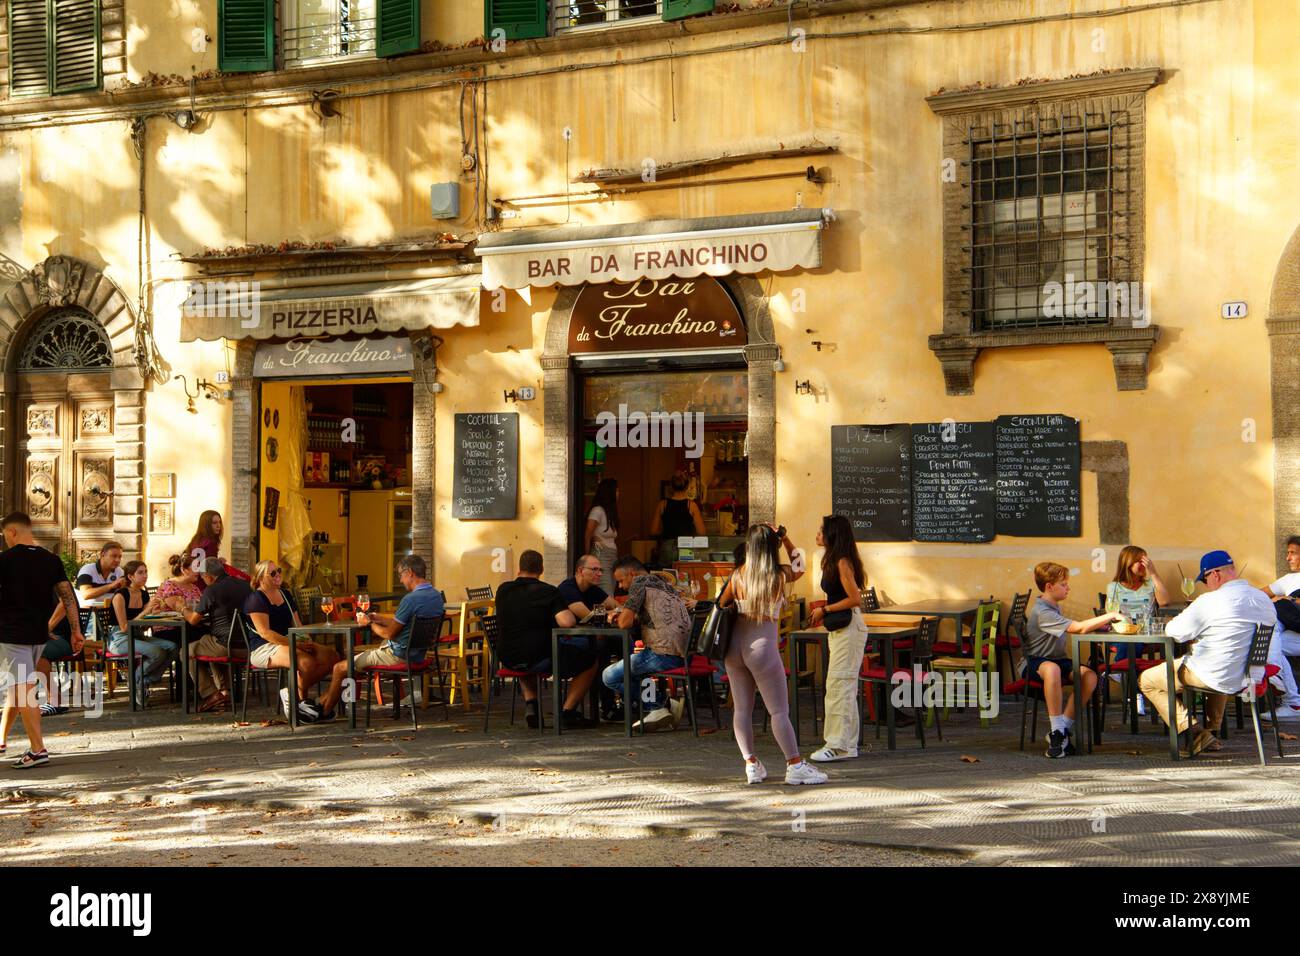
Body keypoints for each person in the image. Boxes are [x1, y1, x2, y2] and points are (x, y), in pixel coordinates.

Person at [1140, 550, 1277, 755]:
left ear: (1215, 575)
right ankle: (1212, 730)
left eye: (1204, 580)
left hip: (1216, 675)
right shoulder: (1263, 599)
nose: (1205, 585)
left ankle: (1194, 732)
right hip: (1251, 676)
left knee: (1147, 680)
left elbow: (1175, 632)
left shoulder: (1209, 601)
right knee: (1222, 664)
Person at [718, 524, 825, 784]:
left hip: (734, 648)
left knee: (742, 709)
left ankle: (751, 764)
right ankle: (794, 764)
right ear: (771, 547)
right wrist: (786, 538)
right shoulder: (777, 575)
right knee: (778, 711)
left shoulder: (737, 575)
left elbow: (722, 605)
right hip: (762, 647)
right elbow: (800, 566)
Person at [0, 512, 83, 768]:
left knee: (23, 691)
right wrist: (76, 631)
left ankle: (38, 750)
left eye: (4, 535)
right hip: (38, 636)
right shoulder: (51, 560)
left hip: (12, 636)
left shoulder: (3, 561)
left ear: (12, 532)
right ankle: (1, 739)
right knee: (20, 688)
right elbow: (68, 597)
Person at [317, 555, 444, 718]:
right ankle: (320, 704)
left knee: (340, 667)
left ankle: (324, 711)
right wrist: (380, 619)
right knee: (352, 666)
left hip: (397, 656)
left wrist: (368, 623)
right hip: (418, 654)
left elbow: (388, 633)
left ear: (410, 572)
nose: (401, 580)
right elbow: (406, 623)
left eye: (400, 575)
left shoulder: (410, 599)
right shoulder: (436, 596)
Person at [1024, 562, 1119, 758]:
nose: (1068, 587)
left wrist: (1097, 626)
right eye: (1064, 584)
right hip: (1036, 661)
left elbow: (1075, 627)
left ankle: (1061, 732)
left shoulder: (1051, 605)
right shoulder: (1043, 612)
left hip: (1058, 659)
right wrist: (1110, 615)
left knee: (1090, 676)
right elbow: (1079, 628)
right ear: (1050, 587)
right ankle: (1057, 728)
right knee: (1052, 670)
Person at [493, 550, 595, 730]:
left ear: (519, 568)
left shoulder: (503, 590)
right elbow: (567, 622)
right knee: (590, 660)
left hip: (507, 657)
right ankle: (567, 712)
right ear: (541, 569)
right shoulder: (548, 591)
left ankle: (531, 703)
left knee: (524, 649)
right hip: (539, 657)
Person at [243, 560, 340, 722]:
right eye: (272, 573)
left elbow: (298, 625)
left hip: (290, 642)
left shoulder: (286, 595)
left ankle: (297, 697)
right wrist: (297, 644)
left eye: (279, 571)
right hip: (264, 647)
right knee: (306, 662)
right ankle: (299, 700)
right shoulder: (256, 598)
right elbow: (265, 633)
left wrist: (308, 642)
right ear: (260, 578)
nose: (278, 575)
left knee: (331, 657)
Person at [602, 556, 691, 732]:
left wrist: (618, 616)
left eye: (621, 580)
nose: (620, 586)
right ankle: (664, 706)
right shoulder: (664, 584)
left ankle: (657, 707)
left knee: (609, 676)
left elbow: (624, 623)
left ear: (631, 574)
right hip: (683, 654)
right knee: (637, 670)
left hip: (663, 654)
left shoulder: (640, 582)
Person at [808, 514, 867, 762]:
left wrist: (825, 609)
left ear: (833, 534)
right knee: (844, 686)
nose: (818, 533)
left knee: (837, 686)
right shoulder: (834, 560)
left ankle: (836, 745)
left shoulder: (842, 562)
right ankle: (848, 744)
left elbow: (855, 598)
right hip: (842, 630)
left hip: (848, 627)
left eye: (823, 530)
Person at [180, 557, 252, 713]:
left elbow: (193, 620)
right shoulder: (245, 586)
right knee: (209, 643)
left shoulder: (212, 590)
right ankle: (225, 692)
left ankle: (211, 694)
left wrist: (181, 608)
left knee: (186, 651)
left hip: (226, 646)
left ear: (208, 576)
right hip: (249, 646)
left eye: (203, 578)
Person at [1103, 546, 1171, 712]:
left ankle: (1120, 670)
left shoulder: (1149, 584)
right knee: (1130, 640)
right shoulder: (1114, 587)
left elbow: (1164, 602)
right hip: (1124, 632)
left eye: (1145, 561)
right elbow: (1110, 612)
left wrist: (1154, 573)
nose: (1143, 565)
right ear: (1127, 563)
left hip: (1145, 633)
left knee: (1135, 640)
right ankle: (1136, 694)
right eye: (1139, 561)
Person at [104, 559, 176, 702]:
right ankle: (138, 679)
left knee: (173, 647)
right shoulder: (120, 596)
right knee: (157, 652)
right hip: (119, 638)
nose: (145, 575)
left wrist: (155, 612)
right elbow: (124, 627)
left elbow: (143, 625)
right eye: (140, 573)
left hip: (137, 635)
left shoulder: (143, 594)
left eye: (146, 572)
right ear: (130, 577)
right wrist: (146, 612)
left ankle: (143, 679)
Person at [1259, 534, 1300, 721]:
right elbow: (1257, 595)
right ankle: (1294, 704)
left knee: (1277, 609)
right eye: (1288, 553)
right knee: (1270, 641)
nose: (1288, 557)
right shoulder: (1288, 579)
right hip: (1294, 635)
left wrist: (1288, 599)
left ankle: (1273, 670)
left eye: (1293, 553)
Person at [184, 510, 251, 589]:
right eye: (214, 523)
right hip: (204, 585)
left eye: (219, 522)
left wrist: (217, 561)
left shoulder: (196, 539)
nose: (218, 525)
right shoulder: (210, 542)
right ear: (206, 525)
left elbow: (202, 561)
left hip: (192, 583)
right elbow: (211, 569)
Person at [650, 470, 706, 542]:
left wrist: (664, 532)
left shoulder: (662, 504)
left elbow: (653, 531)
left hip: (668, 547)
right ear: (687, 487)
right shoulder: (691, 505)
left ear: (671, 486)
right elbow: (702, 532)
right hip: (686, 546)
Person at [583, 479, 620, 586]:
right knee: (606, 587)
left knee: (611, 586)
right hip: (601, 555)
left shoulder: (609, 512)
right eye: (616, 491)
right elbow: (588, 534)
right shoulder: (597, 510)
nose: (618, 494)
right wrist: (587, 556)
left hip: (612, 556)